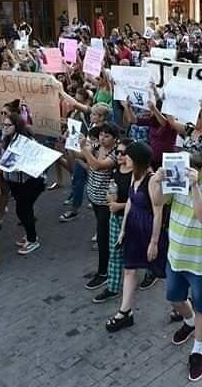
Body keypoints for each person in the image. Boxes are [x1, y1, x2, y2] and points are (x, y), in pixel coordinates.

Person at [149, 151, 202, 383]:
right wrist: (158, 181)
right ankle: (189, 322)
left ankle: (198, 350)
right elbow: (158, 202)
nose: (187, 175)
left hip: (201, 260)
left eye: (192, 172)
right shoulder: (177, 179)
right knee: (174, 297)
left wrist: (194, 187)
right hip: (177, 256)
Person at [106, 142, 168, 331]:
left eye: (128, 156)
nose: (124, 158)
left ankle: (182, 305)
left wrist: (154, 242)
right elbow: (131, 203)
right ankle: (125, 311)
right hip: (133, 228)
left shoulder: (151, 180)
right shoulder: (135, 176)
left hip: (149, 230)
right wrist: (124, 229)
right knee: (129, 269)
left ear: (138, 160)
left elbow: (158, 212)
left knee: (164, 273)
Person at [93, 138, 134, 303]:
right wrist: (111, 198)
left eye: (123, 153)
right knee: (115, 254)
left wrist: (119, 205)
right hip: (116, 217)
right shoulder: (117, 169)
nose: (118, 155)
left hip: (132, 220)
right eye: (117, 152)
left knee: (136, 255)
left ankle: (150, 275)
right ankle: (112, 287)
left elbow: (142, 201)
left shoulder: (140, 173)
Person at [80, 122, 119, 290]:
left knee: (103, 238)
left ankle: (103, 272)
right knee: (103, 234)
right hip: (94, 197)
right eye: (101, 135)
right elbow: (84, 161)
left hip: (106, 202)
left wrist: (85, 150)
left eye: (107, 136)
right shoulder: (96, 147)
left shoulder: (116, 153)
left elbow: (97, 165)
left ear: (115, 139)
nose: (102, 139)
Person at [1, 113, 45, 255]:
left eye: (8, 125)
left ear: (16, 126)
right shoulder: (7, 139)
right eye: (4, 125)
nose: (5, 128)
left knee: (22, 209)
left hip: (29, 181)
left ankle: (32, 241)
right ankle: (30, 235)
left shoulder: (27, 141)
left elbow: (36, 159)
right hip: (14, 181)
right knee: (25, 209)